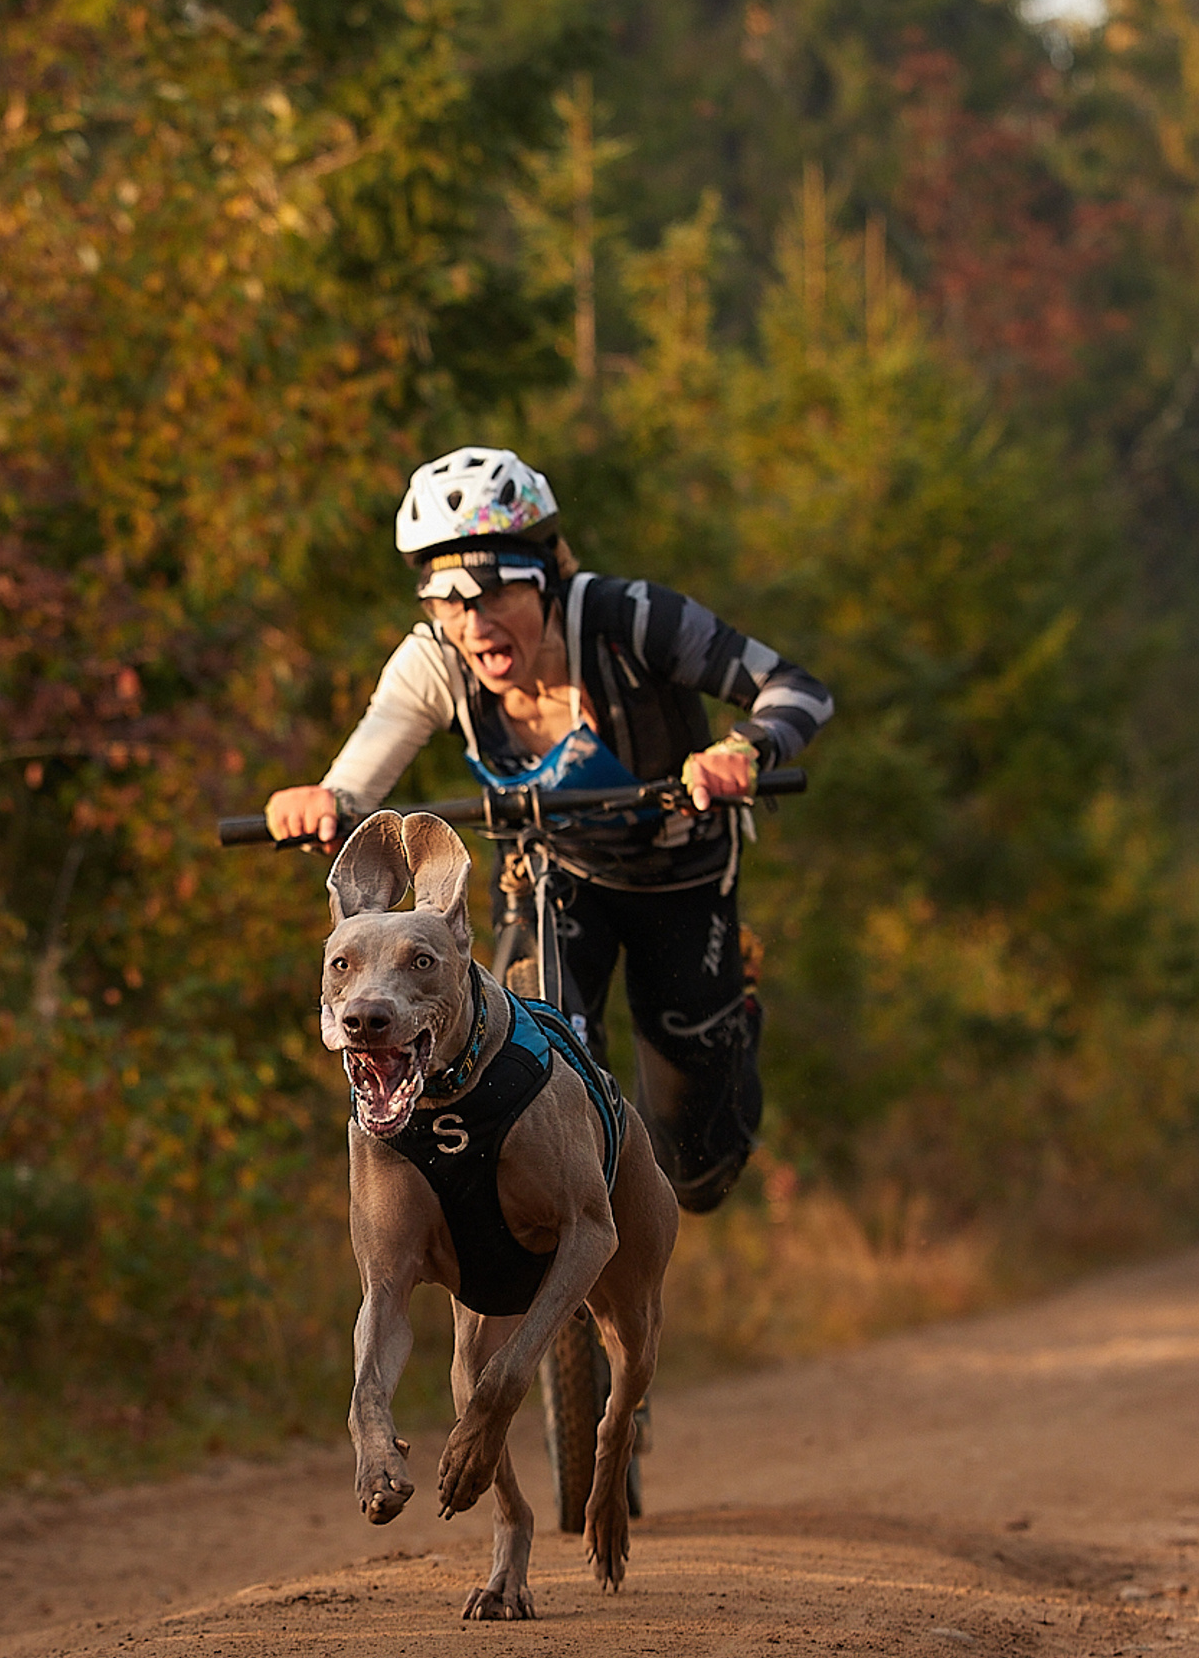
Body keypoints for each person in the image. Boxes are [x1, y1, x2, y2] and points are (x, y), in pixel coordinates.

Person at [266, 447, 832, 1213]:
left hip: (681, 877)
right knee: (518, 1053)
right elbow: (356, 781)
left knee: (697, 1165)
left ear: (548, 574)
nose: (476, 620)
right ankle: (548, 1239)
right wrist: (321, 801)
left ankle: (733, 1024)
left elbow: (795, 688)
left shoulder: (633, 619)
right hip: (550, 876)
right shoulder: (432, 662)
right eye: (448, 598)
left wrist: (743, 748)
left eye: (498, 590)